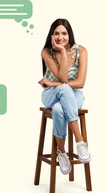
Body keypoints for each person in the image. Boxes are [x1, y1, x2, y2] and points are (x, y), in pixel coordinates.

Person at [38, 18, 91, 175]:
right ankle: (80, 142)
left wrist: (51, 83)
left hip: (74, 95)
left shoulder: (82, 51)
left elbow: (80, 82)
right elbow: (64, 79)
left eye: (64, 33)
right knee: (64, 90)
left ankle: (61, 152)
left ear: (70, 34)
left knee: (58, 109)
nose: (60, 37)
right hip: (50, 95)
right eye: (56, 33)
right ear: (51, 35)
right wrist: (61, 51)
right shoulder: (47, 51)